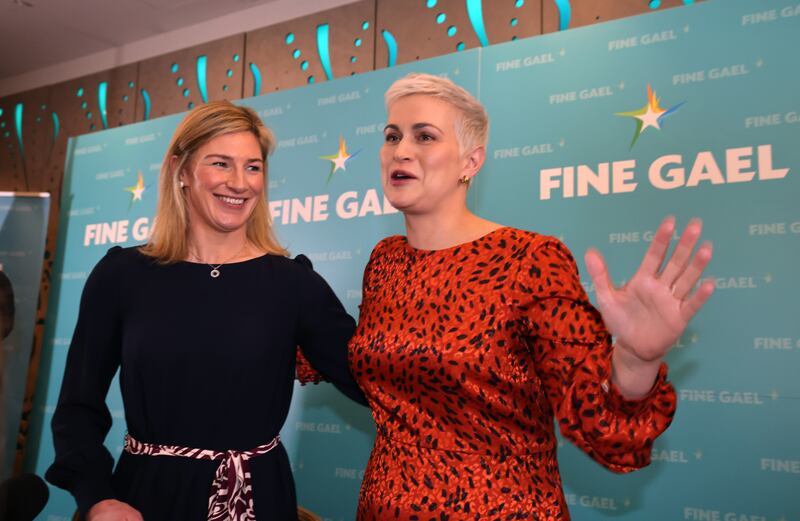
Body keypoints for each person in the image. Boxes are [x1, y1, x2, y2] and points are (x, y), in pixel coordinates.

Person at [349, 73, 715, 520]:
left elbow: (603, 427)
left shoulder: (531, 260)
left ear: (471, 161)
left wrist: (636, 360)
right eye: (392, 136)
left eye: (424, 136)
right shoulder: (384, 261)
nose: (400, 151)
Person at [46, 100, 364, 521]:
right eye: (221, 164)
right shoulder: (122, 275)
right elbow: (77, 408)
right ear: (181, 171)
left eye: (253, 167)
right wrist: (97, 497)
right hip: (144, 498)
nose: (240, 183)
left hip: (258, 498)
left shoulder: (293, 283)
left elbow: (372, 377)